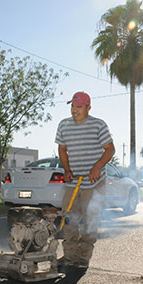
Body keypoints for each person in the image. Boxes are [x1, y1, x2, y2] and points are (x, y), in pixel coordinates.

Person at [55, 91, 115, 269]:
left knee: (90, 220)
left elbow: (110, 149)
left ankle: (83, 257)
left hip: (93, 182)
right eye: (73, 106)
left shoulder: (98, 125)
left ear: (88, 107)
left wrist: (97, 167)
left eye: (79, 107)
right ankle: (70, 256)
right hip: (73, 181)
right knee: (69, 220)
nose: (74, 110)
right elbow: (62, 150)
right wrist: (66, 170)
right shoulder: (64, 125)